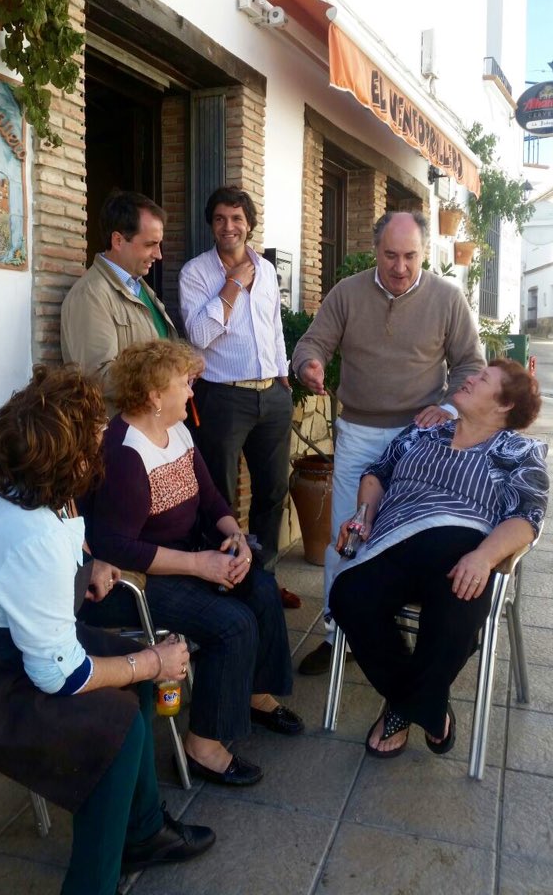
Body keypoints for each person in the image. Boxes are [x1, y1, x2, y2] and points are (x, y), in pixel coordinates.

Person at [0, 366, 214, 895]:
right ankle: (93, 882)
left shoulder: (16, 479)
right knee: (118, 724)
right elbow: (59, 676)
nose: (102, 446)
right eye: (93, 440)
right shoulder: (29, 533)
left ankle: (143, 830)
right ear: (71, 457)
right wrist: (152, 661)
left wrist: (90, 566)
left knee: (134, 687)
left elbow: (56, 538)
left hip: (16, 632)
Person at [79, 338, 303, 788]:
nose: (191, 391)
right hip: (134, 581)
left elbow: (211, 498)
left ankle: (254, 694)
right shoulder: (125, 452)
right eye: (184, 383)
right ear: (153, 396)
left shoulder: (177, 429)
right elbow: (117, 546)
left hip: (186, 555)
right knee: (231, 623)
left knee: (259, 586)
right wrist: (199, 565)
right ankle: (203, 745)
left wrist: (234, 537)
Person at [291, 210, 486, 675]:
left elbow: (471, 366)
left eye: (411, 256)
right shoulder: (348, 293)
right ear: (375, 249)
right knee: (346, 535)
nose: (400, 267)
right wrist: (309, 366)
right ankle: (338, 635)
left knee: (407, 534)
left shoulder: (447, 298)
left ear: (425, 253)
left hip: (421, 440)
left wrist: (450, 409)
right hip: (359, 434)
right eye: (391, 255)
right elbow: (311, 343)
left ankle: (397, 629)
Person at [329, 360, 548, 757]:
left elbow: (526, 519)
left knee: (459, 604)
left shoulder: (519, 452)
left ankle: (402, 708)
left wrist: (484, 557)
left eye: (482, 380)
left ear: (503, 405)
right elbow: (377, 472)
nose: (469, 380)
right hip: (394, 539)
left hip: (461, 551)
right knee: (348, 594)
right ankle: (425, 704)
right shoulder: (424, 431)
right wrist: (362, 517)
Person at [178, 186, 295, 586]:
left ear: (249, 224)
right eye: (220, 219)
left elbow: (273, 326)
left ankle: (262, 579)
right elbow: (198, 336)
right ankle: (223, 578)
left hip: (272, 396)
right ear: (211, 225)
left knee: (273, 491)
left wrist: (283, 374)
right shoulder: (195, 273)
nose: (228, 227)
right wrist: (233, 286)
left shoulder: (266, 270)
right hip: (223, 395)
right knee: (219, 494)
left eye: (236, 219)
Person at [61, 189, 178, 417]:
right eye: (150, 244)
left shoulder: (139, 286)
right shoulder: (90, 294)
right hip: (122, 435)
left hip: (148, 427)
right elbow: (96, 378)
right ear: (118, 240)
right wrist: (170, 377)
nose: (158, 254)